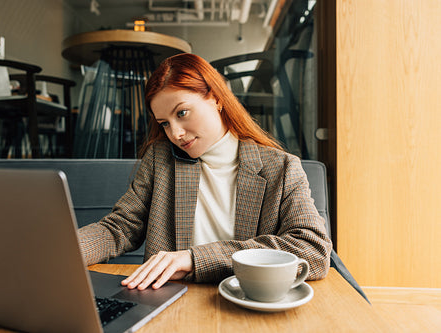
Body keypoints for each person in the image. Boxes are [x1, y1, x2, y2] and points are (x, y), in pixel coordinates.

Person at [78, 53, 332, 291]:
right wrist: (60, 249)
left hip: (247, 303)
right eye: (165, 123)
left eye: (182, 113)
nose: (175, 133)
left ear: (216, 98)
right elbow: (119, 228)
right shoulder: (160, 159)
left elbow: (313, 250)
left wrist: (194, 258)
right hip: (171, 300)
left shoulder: (281, 168)